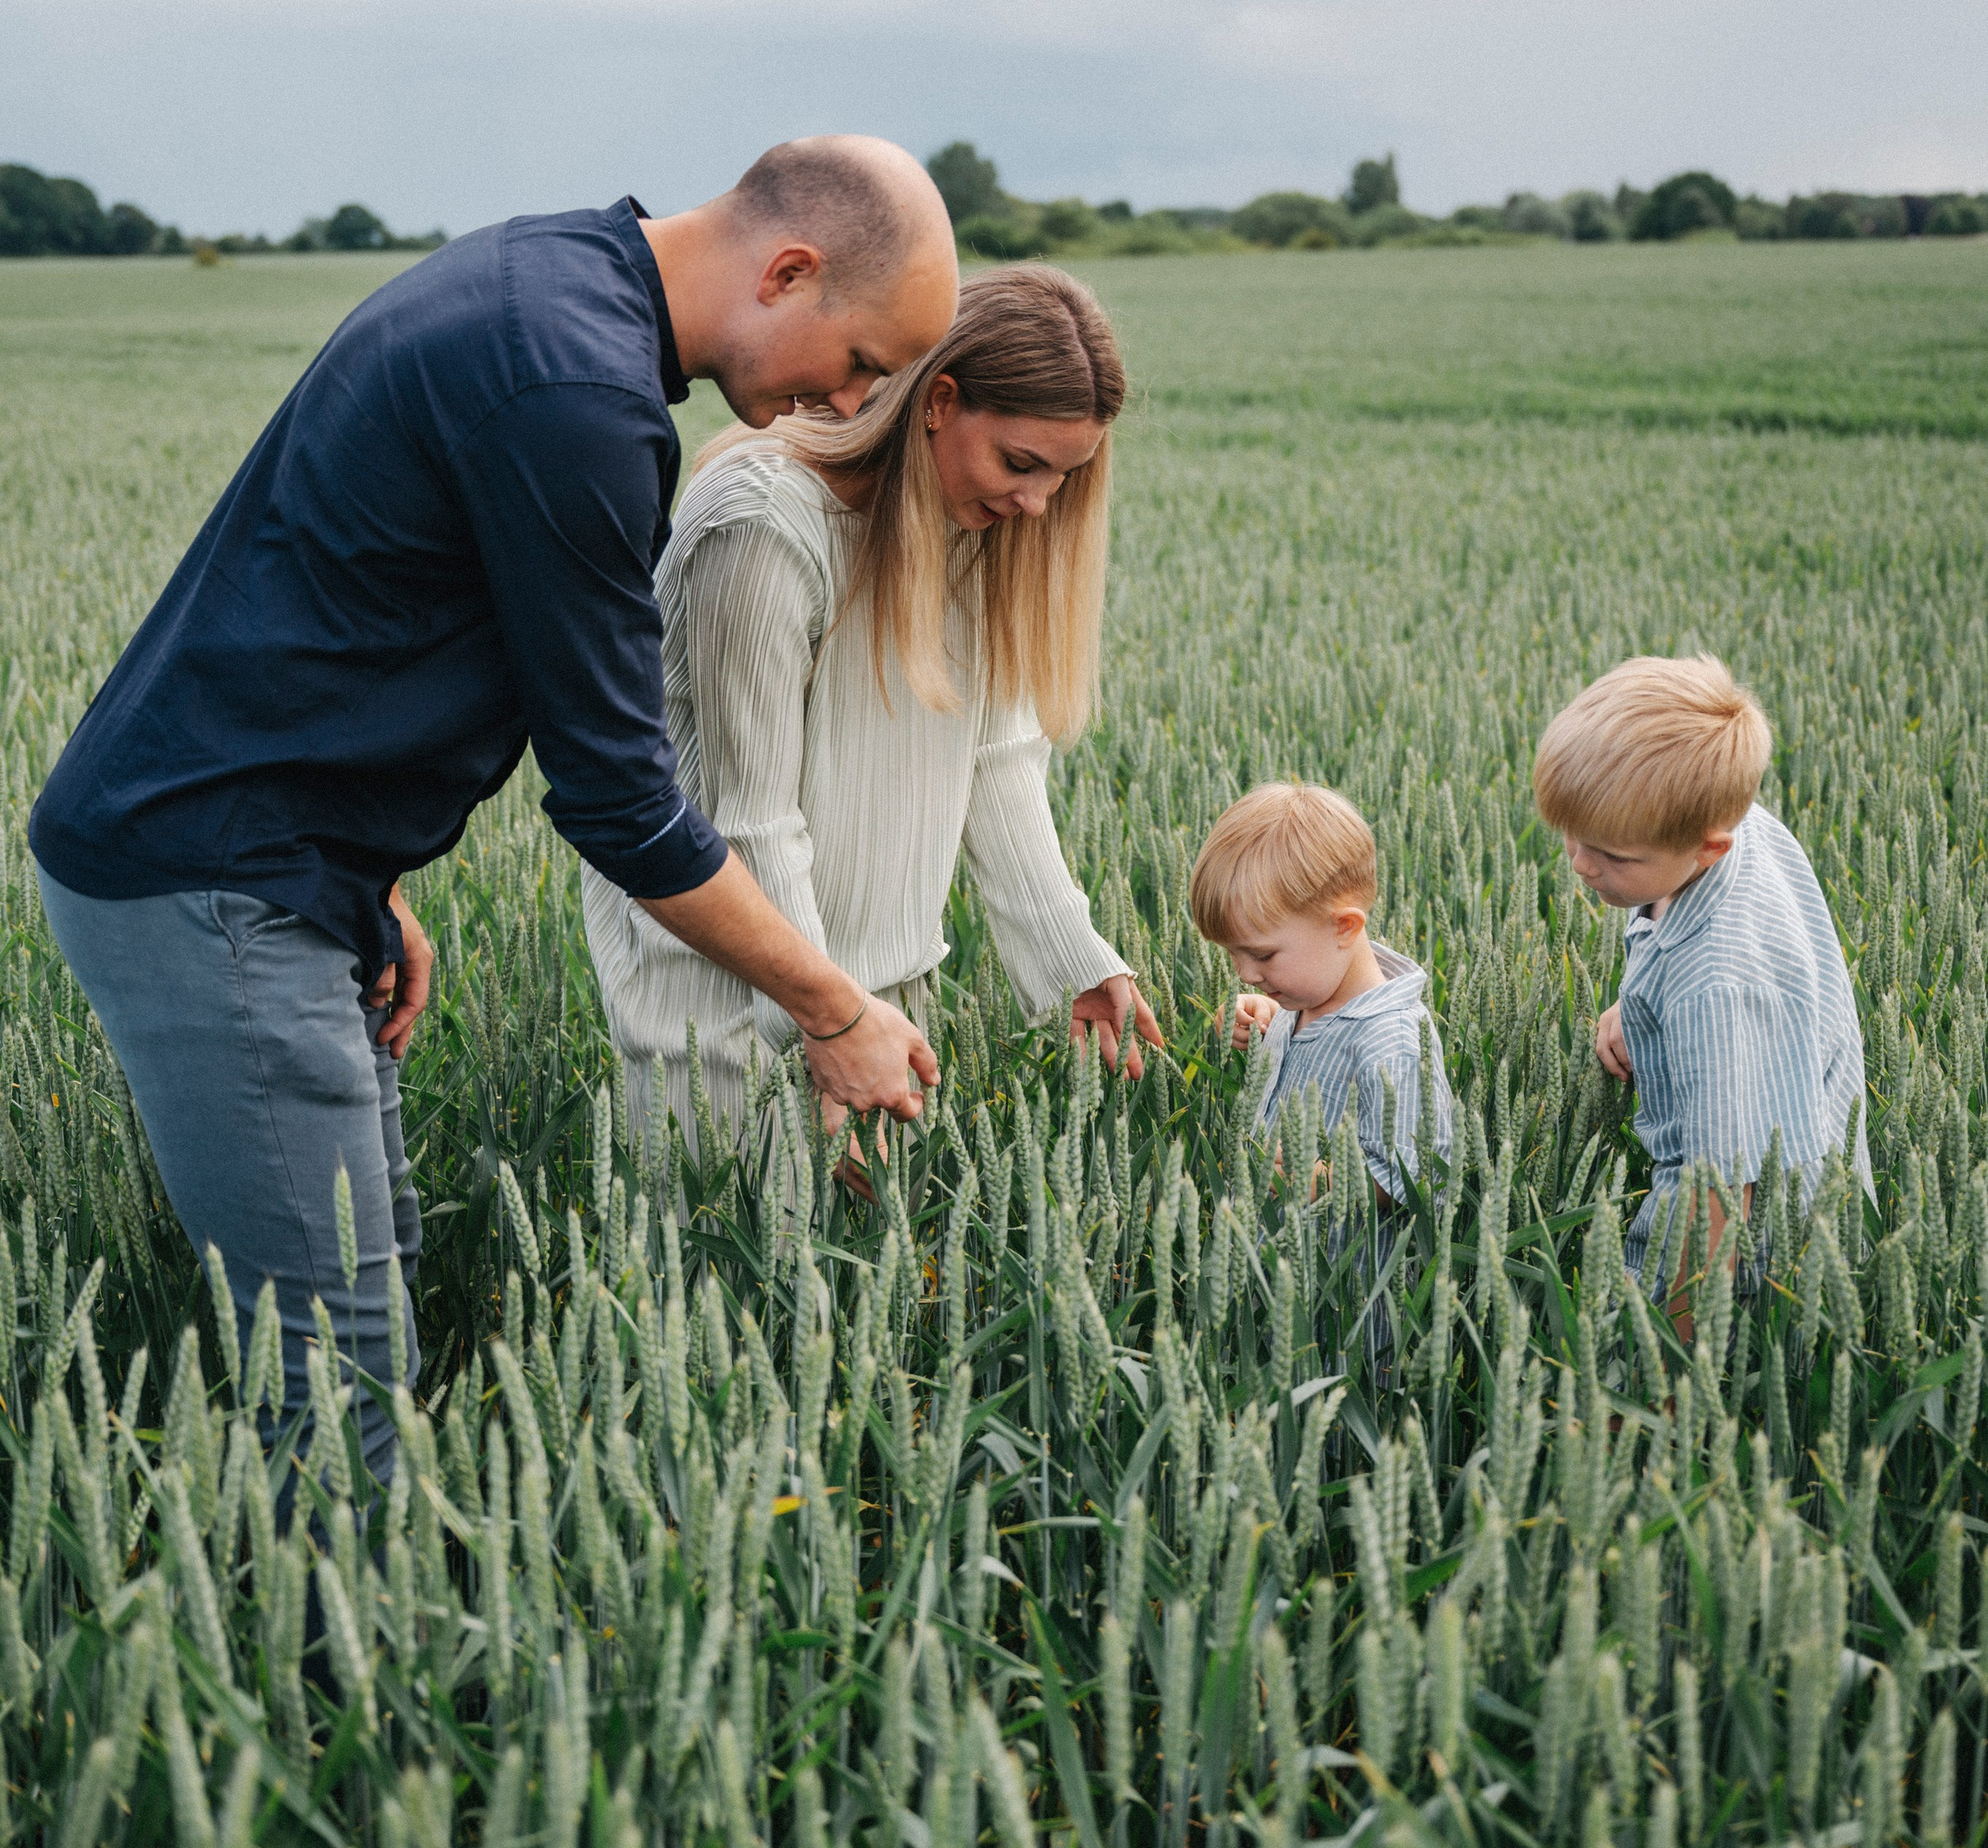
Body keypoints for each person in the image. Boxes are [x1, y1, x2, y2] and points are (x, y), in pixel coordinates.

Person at [30, 137, 959, 1485]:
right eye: (865, 360)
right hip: (211, 875)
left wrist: (370, 870)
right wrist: (838, 1010)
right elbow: (622, 804)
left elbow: (352, 584)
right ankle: (323, 1688)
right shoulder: (578, 394)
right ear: (791, 269)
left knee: (372, 1288)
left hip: (266, 859)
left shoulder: (550, 279)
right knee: (339, 1376)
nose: (852, 399)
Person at [583, 263, 1161, 1154]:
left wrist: (1072, 962)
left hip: (884, 1011)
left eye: (1063, 478)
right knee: (726, 1287)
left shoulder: (973, 527)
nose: (1036, 504)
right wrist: (827, 1025)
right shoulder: (763, 525)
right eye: (1020, 463)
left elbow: (997, 761)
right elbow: (750, 819)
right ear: (937, 399)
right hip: (721, 1015)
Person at [1531, 652, 1871, 1307]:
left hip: (1761, 1257)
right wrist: (1641, 1006)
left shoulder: (1716, 992)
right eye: (1572, 835)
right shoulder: (1724, 832)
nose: (1580, 863)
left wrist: (1672, 1357)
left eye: (1613, 856)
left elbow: (1717, 1196)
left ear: (1708, 845)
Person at [1189, 780, 1453, 1196]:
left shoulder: (1394, 1040)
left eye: (1262, 956)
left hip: (1341, 1257)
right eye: (1232, 955)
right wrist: (1264, 1017)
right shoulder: (1307, 995)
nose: (1245, 973)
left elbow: (1419, 1173)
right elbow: (1312, 1042)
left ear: (1344, 927)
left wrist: (1323, 1183)